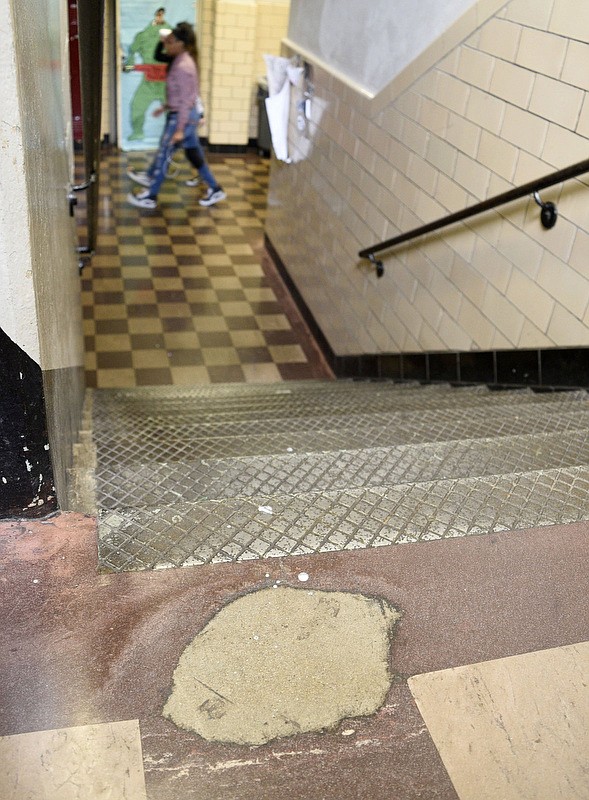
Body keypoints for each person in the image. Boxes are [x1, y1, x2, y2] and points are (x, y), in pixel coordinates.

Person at [127, 22, 225, 209]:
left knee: (164, 155)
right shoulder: (181, 61)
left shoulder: (184, 66)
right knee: (194, 155)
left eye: (170, 42)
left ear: (180, 43)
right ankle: (215, 188)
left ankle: (151, 196)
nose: (167, 45)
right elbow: (180, 95)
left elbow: (187, 102)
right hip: (183, 116)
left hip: (183, 119)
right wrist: (165, 107)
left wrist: (179, 129)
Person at [123, 8, 169, 141]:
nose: (160, 17)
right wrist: (129, 65)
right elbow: (132, 52)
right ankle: (137, 132)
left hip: (166, 81)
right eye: (158, 15)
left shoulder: (173, 35)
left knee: (173, 110)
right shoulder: (143, 35)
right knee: (137, 106)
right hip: (148, 80)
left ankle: (173, 136)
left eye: (162, 15)